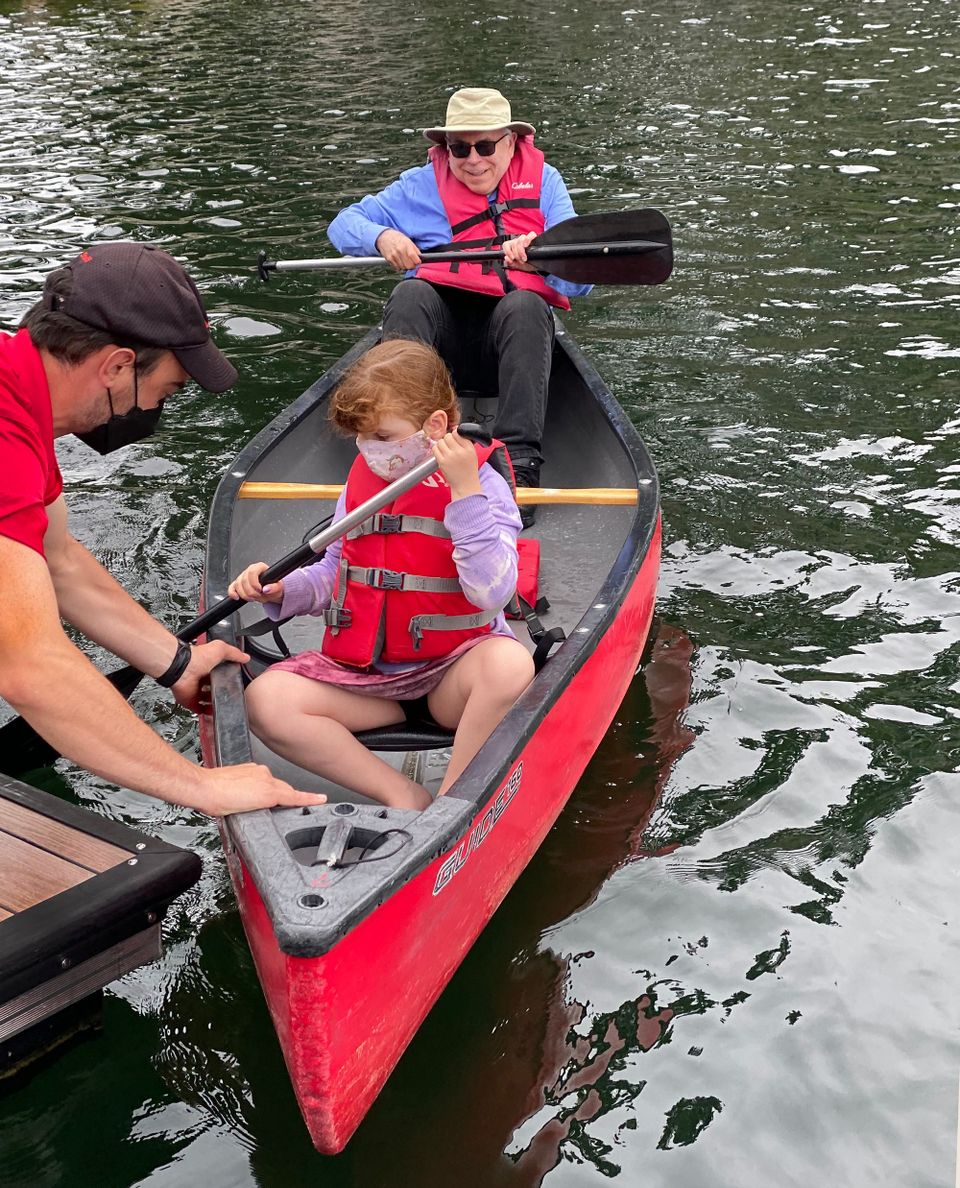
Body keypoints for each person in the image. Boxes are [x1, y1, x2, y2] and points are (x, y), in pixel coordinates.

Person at [0, 242, 324, 816]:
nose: (157, 408)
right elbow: (29, 664)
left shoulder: (18, 395)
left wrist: (175, 661)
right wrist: (200, 786)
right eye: (167, 389)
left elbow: (60, 561)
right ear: (118, 366)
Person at [227, 339, 535, 811]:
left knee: (511, 666)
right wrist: (283, 588)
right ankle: (401, 794)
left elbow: (492, 592)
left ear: (435, 425)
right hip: (370, 680)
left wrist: (465, 493)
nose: (371, 450)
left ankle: (455, 803)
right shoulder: (361, 482)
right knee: (265, 701)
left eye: (384, 437)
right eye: (361, 438)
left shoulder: (484, 487)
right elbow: (336, 572)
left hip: (453, 674)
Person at [327, 87, 592, 526]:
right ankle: (404, 449)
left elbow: (580, 284)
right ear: (444, 148)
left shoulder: (545, 183)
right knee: (410, 294)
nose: (473, 159)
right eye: (459, 147)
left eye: (486, 146)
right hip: (433, 362)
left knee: (526, 305)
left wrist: (543, 258)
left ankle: (518, 467)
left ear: (510, 143)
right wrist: (382, 237)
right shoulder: (418, 186)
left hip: (510, 350)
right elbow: (344, 223)